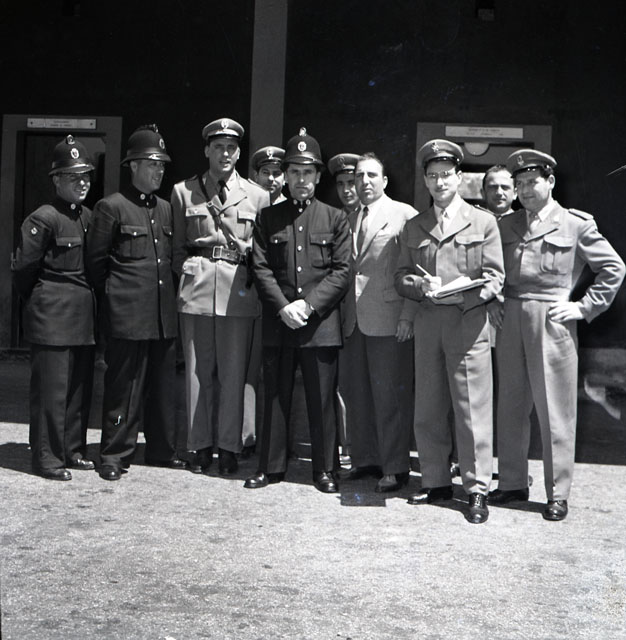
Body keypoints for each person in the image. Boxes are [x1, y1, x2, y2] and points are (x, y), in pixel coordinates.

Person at [489, 149, 625, 521]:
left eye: (532, 182)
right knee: (511, 405)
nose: (525, 190)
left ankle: (557, 492)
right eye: (519, 184)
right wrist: (492, 300)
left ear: (550, 182)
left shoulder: (575, 224)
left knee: (555, 410)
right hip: (510, 319)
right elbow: (491, 269)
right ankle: (512, 482)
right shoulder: (506, 225)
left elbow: (613, 267)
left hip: (552, 321)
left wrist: (584, 307)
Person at [394, 139, 504, 524]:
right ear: (425, 180)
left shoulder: (483, 222)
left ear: (459, 177)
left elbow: (495, 277)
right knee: (428, 406)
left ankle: (477, 489)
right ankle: (436, 480)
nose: (440, 182)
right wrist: (417, 285)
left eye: (446, 175)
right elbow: (401, 275)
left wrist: (467, 294)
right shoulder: (414, 226)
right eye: (432, 176)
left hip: (467, 323)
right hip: (428, 323)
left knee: (471, 410)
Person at [244, 128, 352, 493]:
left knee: (321, 399)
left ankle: (325, 470)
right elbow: (260, 267)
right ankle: (270, 467)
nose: (301, 179)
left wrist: (308, 305)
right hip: (280, 322)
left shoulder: (335, 218)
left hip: (319, 324)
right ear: (285, 176)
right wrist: (282, 307)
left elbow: (341, 271)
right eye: (294, 172)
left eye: (308, 172)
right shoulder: (268, 217)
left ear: (318, 177)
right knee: (274, 394)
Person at [172, 118, 269, 476]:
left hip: (238, 291)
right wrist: (191, 273)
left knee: (233, 373)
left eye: (231, 148)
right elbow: (176, 248)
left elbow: (261, 251)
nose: (225, 154)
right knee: (197, 372)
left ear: (239, 153)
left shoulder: (257, 196)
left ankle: (229, 446)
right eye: (218, 147)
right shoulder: (184, 191)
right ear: (207, 151)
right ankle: (199, 445)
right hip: (197, 289)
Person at [86, 124, 184, 481]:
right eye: (151, 164)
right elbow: (96, 265)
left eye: (161, 165)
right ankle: (114, 454)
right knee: (123, 387)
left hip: (161, 314)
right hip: (127, 314)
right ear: (132, 166)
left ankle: (161, 450)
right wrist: (117, 299)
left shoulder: (166, 209)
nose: (159, 171)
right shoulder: (111, 207)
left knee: (162, 388)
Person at [12, 135, 96, 480]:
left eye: (86, 176)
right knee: (52, 393)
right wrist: (42, 302)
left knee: (77, 391)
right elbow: (23, 269)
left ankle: (72, 450)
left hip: (83, 318)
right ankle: (47, 457)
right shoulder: (43, 218)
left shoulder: (88, 216)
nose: (82, 183)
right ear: (56, 180)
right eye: (73, 177)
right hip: (52, 316)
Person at [339, 153, 416, 492]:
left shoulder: (404, 215)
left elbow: (414, 270)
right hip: (354, 320)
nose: (364, 181)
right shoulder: (348, 218)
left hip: (390, 318)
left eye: (372, 175)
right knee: (357, 393)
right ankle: (365, 459)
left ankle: (395, 467)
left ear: (385, 181)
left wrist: (408, 315)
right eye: (359, 176)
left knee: (389, 397)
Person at [327, 152, 362, 466]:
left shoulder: (380, 215)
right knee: (343, 384)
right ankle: (348, 445)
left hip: (372, 312)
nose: (347, 189)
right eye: (341, 184)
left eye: (352, 182)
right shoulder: (332, 219)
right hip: (341, 313)